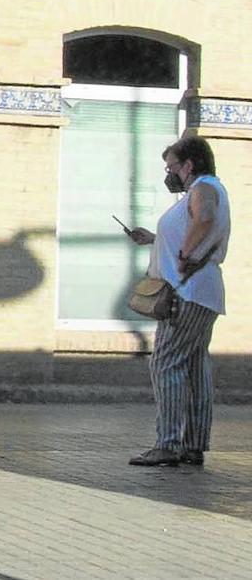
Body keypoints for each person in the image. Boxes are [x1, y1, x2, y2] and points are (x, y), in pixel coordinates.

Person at [126, 135, 230, 467]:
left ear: (189, 165)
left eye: (172, 166)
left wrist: (184, 254)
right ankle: (193, 444)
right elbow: (196, 226)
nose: (169, 173)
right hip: (201, 290)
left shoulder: (203, 187)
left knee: (166, 361)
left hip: (188, 291)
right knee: (195, 365)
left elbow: (205, 219)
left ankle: (168, 444)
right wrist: (156, 240)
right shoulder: (204, 187)